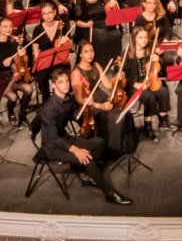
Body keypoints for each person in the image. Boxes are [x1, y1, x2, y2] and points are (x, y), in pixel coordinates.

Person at [38, 67, 132, 205]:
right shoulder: (48, 109)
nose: (65, 84)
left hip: (63, 138)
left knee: (99, 143)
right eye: (60, 82)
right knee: (87, 158)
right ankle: (109, 194)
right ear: (53, 85)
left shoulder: (68, 98)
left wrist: (87, 108)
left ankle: (91, 174)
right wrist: (76, 150)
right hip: (52, 147)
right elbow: (53, 139)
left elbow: (74, 115)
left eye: (66, 81)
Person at [0, 16, 33, 128]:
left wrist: (22, 54)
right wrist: (2, 64)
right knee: (13, 97)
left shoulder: (13, 43)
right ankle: (10, 112)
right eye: (5, 26)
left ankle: (22, 115)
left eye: (10, 26)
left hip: (13, 76)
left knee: (29, 89)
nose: (9, 29)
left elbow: (21, 62)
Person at [122, 27, 171, 141]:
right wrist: (135, 84)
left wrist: (158, 59)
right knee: (149, 96)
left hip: (149, 81)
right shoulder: (127, 53)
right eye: (140, 37)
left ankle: (163, 118)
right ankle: (147, 127)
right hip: (134, 85)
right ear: (134, 38)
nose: (144, 40)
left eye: (145, 37)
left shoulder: (149, 50)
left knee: (163, 91)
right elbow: (122, 73)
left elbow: (159, 66)